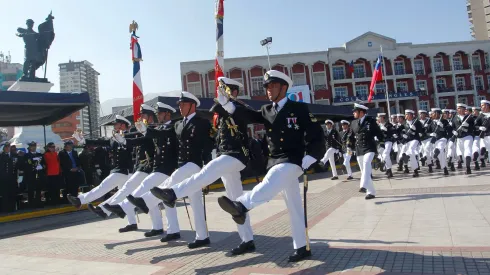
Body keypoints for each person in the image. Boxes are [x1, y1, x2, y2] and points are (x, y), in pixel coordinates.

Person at [215, 70, 325, 262]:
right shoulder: (266, 110)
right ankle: (302, 247)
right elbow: (249, 115)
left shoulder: (298, 108)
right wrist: (227, 105)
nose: (268, 90)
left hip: (293, 160)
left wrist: (312, 156)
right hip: (275, 159)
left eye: (272, 86)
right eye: (266, 86)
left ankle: (242, 204)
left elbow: (317, 135)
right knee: (294, 206)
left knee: (271, 181)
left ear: (284, 87)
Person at [151, 77, 256, 255]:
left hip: (237, 156)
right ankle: (247, 240)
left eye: (225, 89)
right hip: (225, 156)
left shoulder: (238, 109)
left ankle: (173, 192)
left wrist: (228, 106)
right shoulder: (220, 111)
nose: (220, 93)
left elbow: (244, 117)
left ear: (234, 92)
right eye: (220, 89)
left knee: (208, 171)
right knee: (236, 202)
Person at [127, 92, 214, 249]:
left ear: (192, 105)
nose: (180, 107)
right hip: (182, 164)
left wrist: (207, 173)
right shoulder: (178, 124)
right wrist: (146, 131)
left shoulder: (202, 123)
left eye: (183, 104)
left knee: (170, 183)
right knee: (196, 204)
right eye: (179, 105)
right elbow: (163, 132)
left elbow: (208, 147)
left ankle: (145, 201)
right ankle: (202, 236)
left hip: (195, 164)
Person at [105, 102, 179, 237]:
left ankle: (123, 207)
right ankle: (167, 229)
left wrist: (146, 130)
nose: (158, 116)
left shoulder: (172, 127)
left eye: (160, 113)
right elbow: (139, 140)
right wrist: (123, 140)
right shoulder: (157, 128)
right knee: (163, 199)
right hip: (157, 168)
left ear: (167, 114)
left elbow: (157, 135)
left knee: (148, 189)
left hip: (166, 168)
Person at [91, 104, 158, 233]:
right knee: (145, 198)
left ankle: (107, 208)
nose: (141, 118)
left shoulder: (153, 129)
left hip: (149, 168)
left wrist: (126, 138)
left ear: (150, 116)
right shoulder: (137, 132)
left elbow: (135, 140)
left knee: (135, 193)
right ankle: (153, 226)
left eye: (143, 115)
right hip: (141, 167)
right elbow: (108, 141)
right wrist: (86, 142)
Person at [67, 115, 133, 208]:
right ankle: (132, 221)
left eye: (117, 124)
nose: (114, 126)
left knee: (104, 187)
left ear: (123, 125)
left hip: (125, 171)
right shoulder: (114, 138)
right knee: (124, 198)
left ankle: (81, 200)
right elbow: (99, 142)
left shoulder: (131, 136)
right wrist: (83, 140)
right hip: (119, 170)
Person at [350, 103, 383, 199]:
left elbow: (379, 133)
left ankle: (363, 186)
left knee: (366, 163)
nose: (353, 113)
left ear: (361, 112)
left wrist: (381, 144)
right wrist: (348, 146)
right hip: (359, 149)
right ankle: (371, 192)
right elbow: (351, 136)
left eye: (355, 111)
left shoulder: (371, 121)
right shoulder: (353, 123)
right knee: (364, 170)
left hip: (369, 147)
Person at [450, 103, 475, 174]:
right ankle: (466, 166)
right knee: (461, 152)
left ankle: (468, 167)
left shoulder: (469, 117)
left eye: (459, 108)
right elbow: (452, 127)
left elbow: (473, 128)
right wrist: (453, 131)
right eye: (457, 108)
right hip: (459, 137)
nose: (458, 110)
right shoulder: (455, 118)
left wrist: (467, 127)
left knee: (468, 150)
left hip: (468, 136)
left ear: (464, 109)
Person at [427, 108, 452, 176]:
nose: (431, 114)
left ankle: (437, 151)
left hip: (443, 138)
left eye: (433, 113)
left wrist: (442, 125)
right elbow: (426, 132)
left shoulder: (444, 121)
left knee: (440, 148)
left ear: (437, 113)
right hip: (435, 140)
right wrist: (430, 134)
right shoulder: (431, 122)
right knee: (440, 155)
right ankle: (444, 168)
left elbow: (449, 130)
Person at [22, 141, 45, 208]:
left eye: (34, 146)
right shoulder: (26, 155)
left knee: (38, 190)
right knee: (31, 190)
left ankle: (38, 202)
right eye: (32, 146)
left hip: (38, 175)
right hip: (30, 175)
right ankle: (31, 204)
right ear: (29, 147)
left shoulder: (39, 154)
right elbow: (25, 165)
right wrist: (32, 166)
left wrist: (42, 166)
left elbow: (43, 163)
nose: (33, 147)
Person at [401, 110, 423, 177]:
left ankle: (407, 156)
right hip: (407, 140)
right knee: (411, 153)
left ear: (411, 115)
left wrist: (415, 130)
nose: (406, 116)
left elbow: (421, 132)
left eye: (407, 114)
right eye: (405, 114)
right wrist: (403, 135)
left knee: (411, 149)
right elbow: (402, 131)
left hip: (415, 139)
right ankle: (415, 170)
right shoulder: (404, 123)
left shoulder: (417, 122)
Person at [0, 142, 18, 212]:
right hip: (3, 179)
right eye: (6, 147)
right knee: (5, 194)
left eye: (8, 147)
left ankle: (12, 208)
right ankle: (5, 209)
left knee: (12, 193)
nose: (7, 148)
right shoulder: (1, 156)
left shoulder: (14, 155)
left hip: (12, 178)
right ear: (3, 148)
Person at [376, 113, 395, 178]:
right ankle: (387, 169)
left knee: (386, 154)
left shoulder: (389, 125)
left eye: (379, 117)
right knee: (383, 156)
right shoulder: (377, 126)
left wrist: (387, 130)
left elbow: (393, 132)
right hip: (381, 142)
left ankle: (389, 171)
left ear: (383, 117)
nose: (378, 118)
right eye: (378, 117)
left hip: (388, 141)